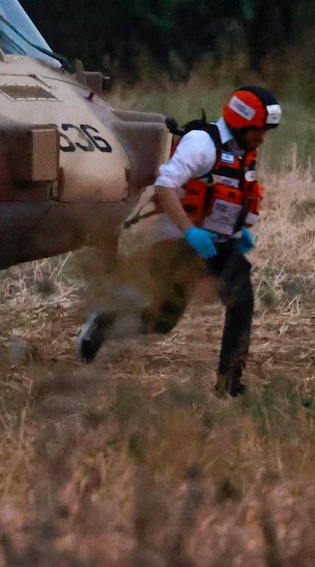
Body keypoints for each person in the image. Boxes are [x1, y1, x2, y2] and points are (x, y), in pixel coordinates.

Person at [76, 86, 282, 397]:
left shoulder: (243, 152)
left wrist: (238, 232)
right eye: (258, 131)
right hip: (178, 244)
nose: (262, 138)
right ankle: (103, 324)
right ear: (241, 123)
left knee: (242, 302)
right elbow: (165, 186)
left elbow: (232, 199)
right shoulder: (201, 144)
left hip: (219, 245)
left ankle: (229, 383)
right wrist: (190, 232)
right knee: (162, 322)